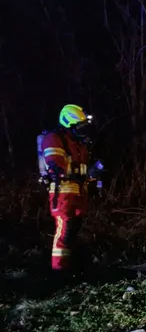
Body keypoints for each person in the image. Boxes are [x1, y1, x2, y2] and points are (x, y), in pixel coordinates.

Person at [38, 104, 100, 273]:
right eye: (80, 127)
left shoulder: (79, 143)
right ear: (68, 125)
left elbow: (84, 168)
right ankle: (59, 270)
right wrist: (76, 173)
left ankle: (70, 266)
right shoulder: (54, 139)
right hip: (62, 193)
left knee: (73, 230)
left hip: (78, 194)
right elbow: (56, 164)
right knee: (64, 230)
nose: (83, 130)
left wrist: (93, 179)